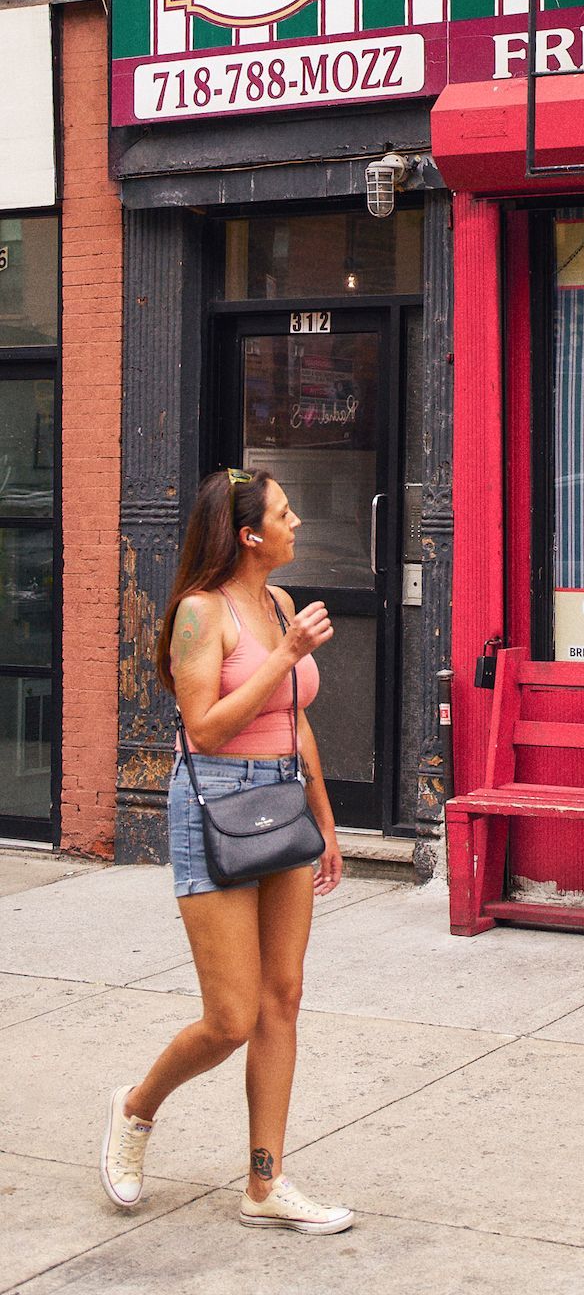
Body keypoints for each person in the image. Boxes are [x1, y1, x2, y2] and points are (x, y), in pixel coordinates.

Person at [99, 467, 355, 1234]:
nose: (297, 521)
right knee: (231, 1016)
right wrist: (283, 656)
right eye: (283, 513)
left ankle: (264, 1181)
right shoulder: (198, 614)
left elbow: (295, 720)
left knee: (284, 998)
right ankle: (136, 1108)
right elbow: (205, 728)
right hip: (212, 801)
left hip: (282, 800)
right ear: (249, 535)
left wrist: (327, 822)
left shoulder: (276, 602)